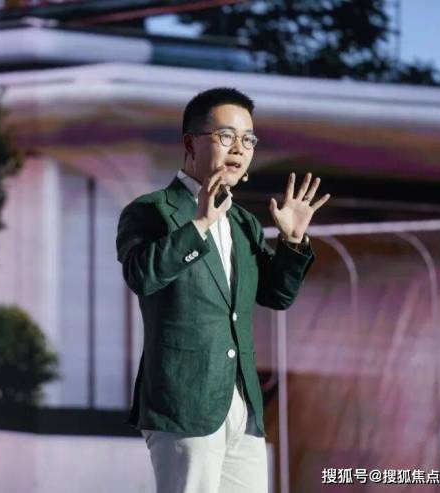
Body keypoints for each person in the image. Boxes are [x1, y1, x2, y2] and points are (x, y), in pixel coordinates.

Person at [115, 87, 330, 492]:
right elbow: (142, 276)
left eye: (248, 139)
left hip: (242, 404)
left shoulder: (243, 222)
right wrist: (199, 224)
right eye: (226, 136)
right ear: (189, 144)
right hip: (184, 403)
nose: (239, 149)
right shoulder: (151, 210)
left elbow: (277, 296)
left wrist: (292, 242)